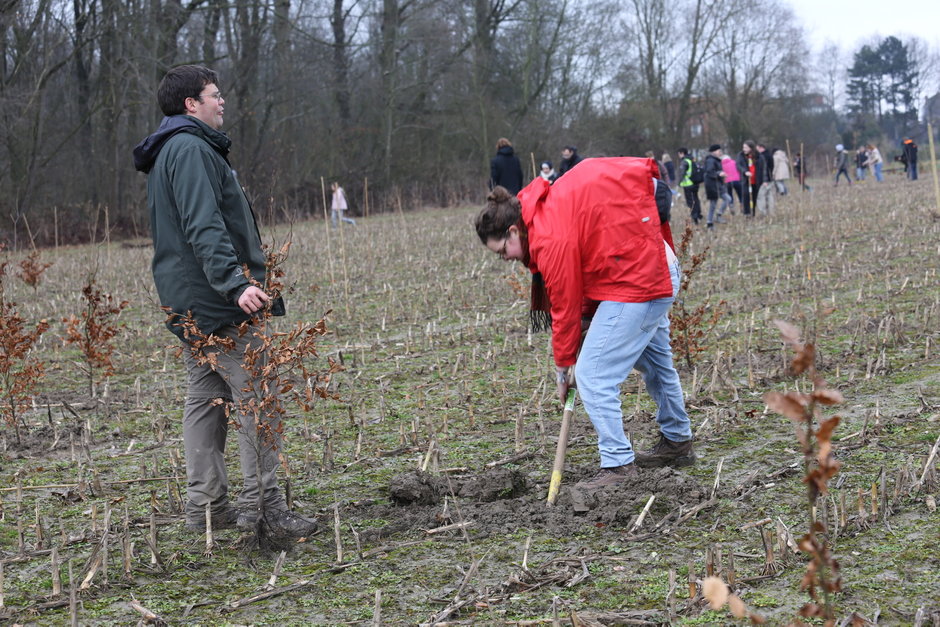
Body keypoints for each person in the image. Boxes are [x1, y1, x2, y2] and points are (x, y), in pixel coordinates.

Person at [133, 65, 318, 538]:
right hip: (217, 301)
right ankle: (266, 509)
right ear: (190, 104)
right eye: (215, 95)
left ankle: (208, 508)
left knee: (205, 399)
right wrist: (235, 284)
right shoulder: (191, 149)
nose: (223, 102)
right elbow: (203, 224)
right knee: (258, 396)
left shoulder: (168, 152)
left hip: (187, 301)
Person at [473, 158, 695, 490]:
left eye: (503, 250)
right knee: (656, 364)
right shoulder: (543, 212)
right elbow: (588, 268)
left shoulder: (548, 238)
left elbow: (566, 305)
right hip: (645, 262)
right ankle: (677, 441)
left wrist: (565, 367)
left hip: (640, 275)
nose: (505, 259)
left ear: (513, 230)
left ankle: (619, 466)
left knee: (593, 374)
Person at [703, 144, 729, 228]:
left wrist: (721, 174)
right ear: (713, 152)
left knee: (728, 199)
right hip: (712, 186)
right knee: (713, 204)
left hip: (718, 185)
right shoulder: (710, 160)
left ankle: (718, 215)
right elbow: (710, 172)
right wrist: (719, 174)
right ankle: (709, 223)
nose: (720, 152)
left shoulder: (716, 160)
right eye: (719, 151)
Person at [677, 147, 702, 224]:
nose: (678, 156)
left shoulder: (685, 161)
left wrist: (679, 183)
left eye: (679, 154)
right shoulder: (692, 159)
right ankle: (698, 214)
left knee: (690, 202)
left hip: (688, 185)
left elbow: (682, 173)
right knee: (696, 199)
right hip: (695, 183)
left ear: (682, 153)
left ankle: (695, 218)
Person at [736, 141, 756, 215]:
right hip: (746, 180)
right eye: (743, 147)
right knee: (746, 196)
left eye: (746, 147)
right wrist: (745, 172)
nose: (744, 149)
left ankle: (753, 212)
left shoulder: (756, 155)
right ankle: (747, 213)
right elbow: (739, 165)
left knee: (754, 197)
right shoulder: (740, 155)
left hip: (755, 180)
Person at [755, 143, 775, 215]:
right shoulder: (770, 155)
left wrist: (764, 180)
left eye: (757, 148)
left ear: (761, 148)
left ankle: (763, 213)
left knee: (761, 196)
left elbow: (763, 169)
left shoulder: (762, 157)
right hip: (770, 179)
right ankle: (771, 212)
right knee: (770, 196)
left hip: (764, 180)